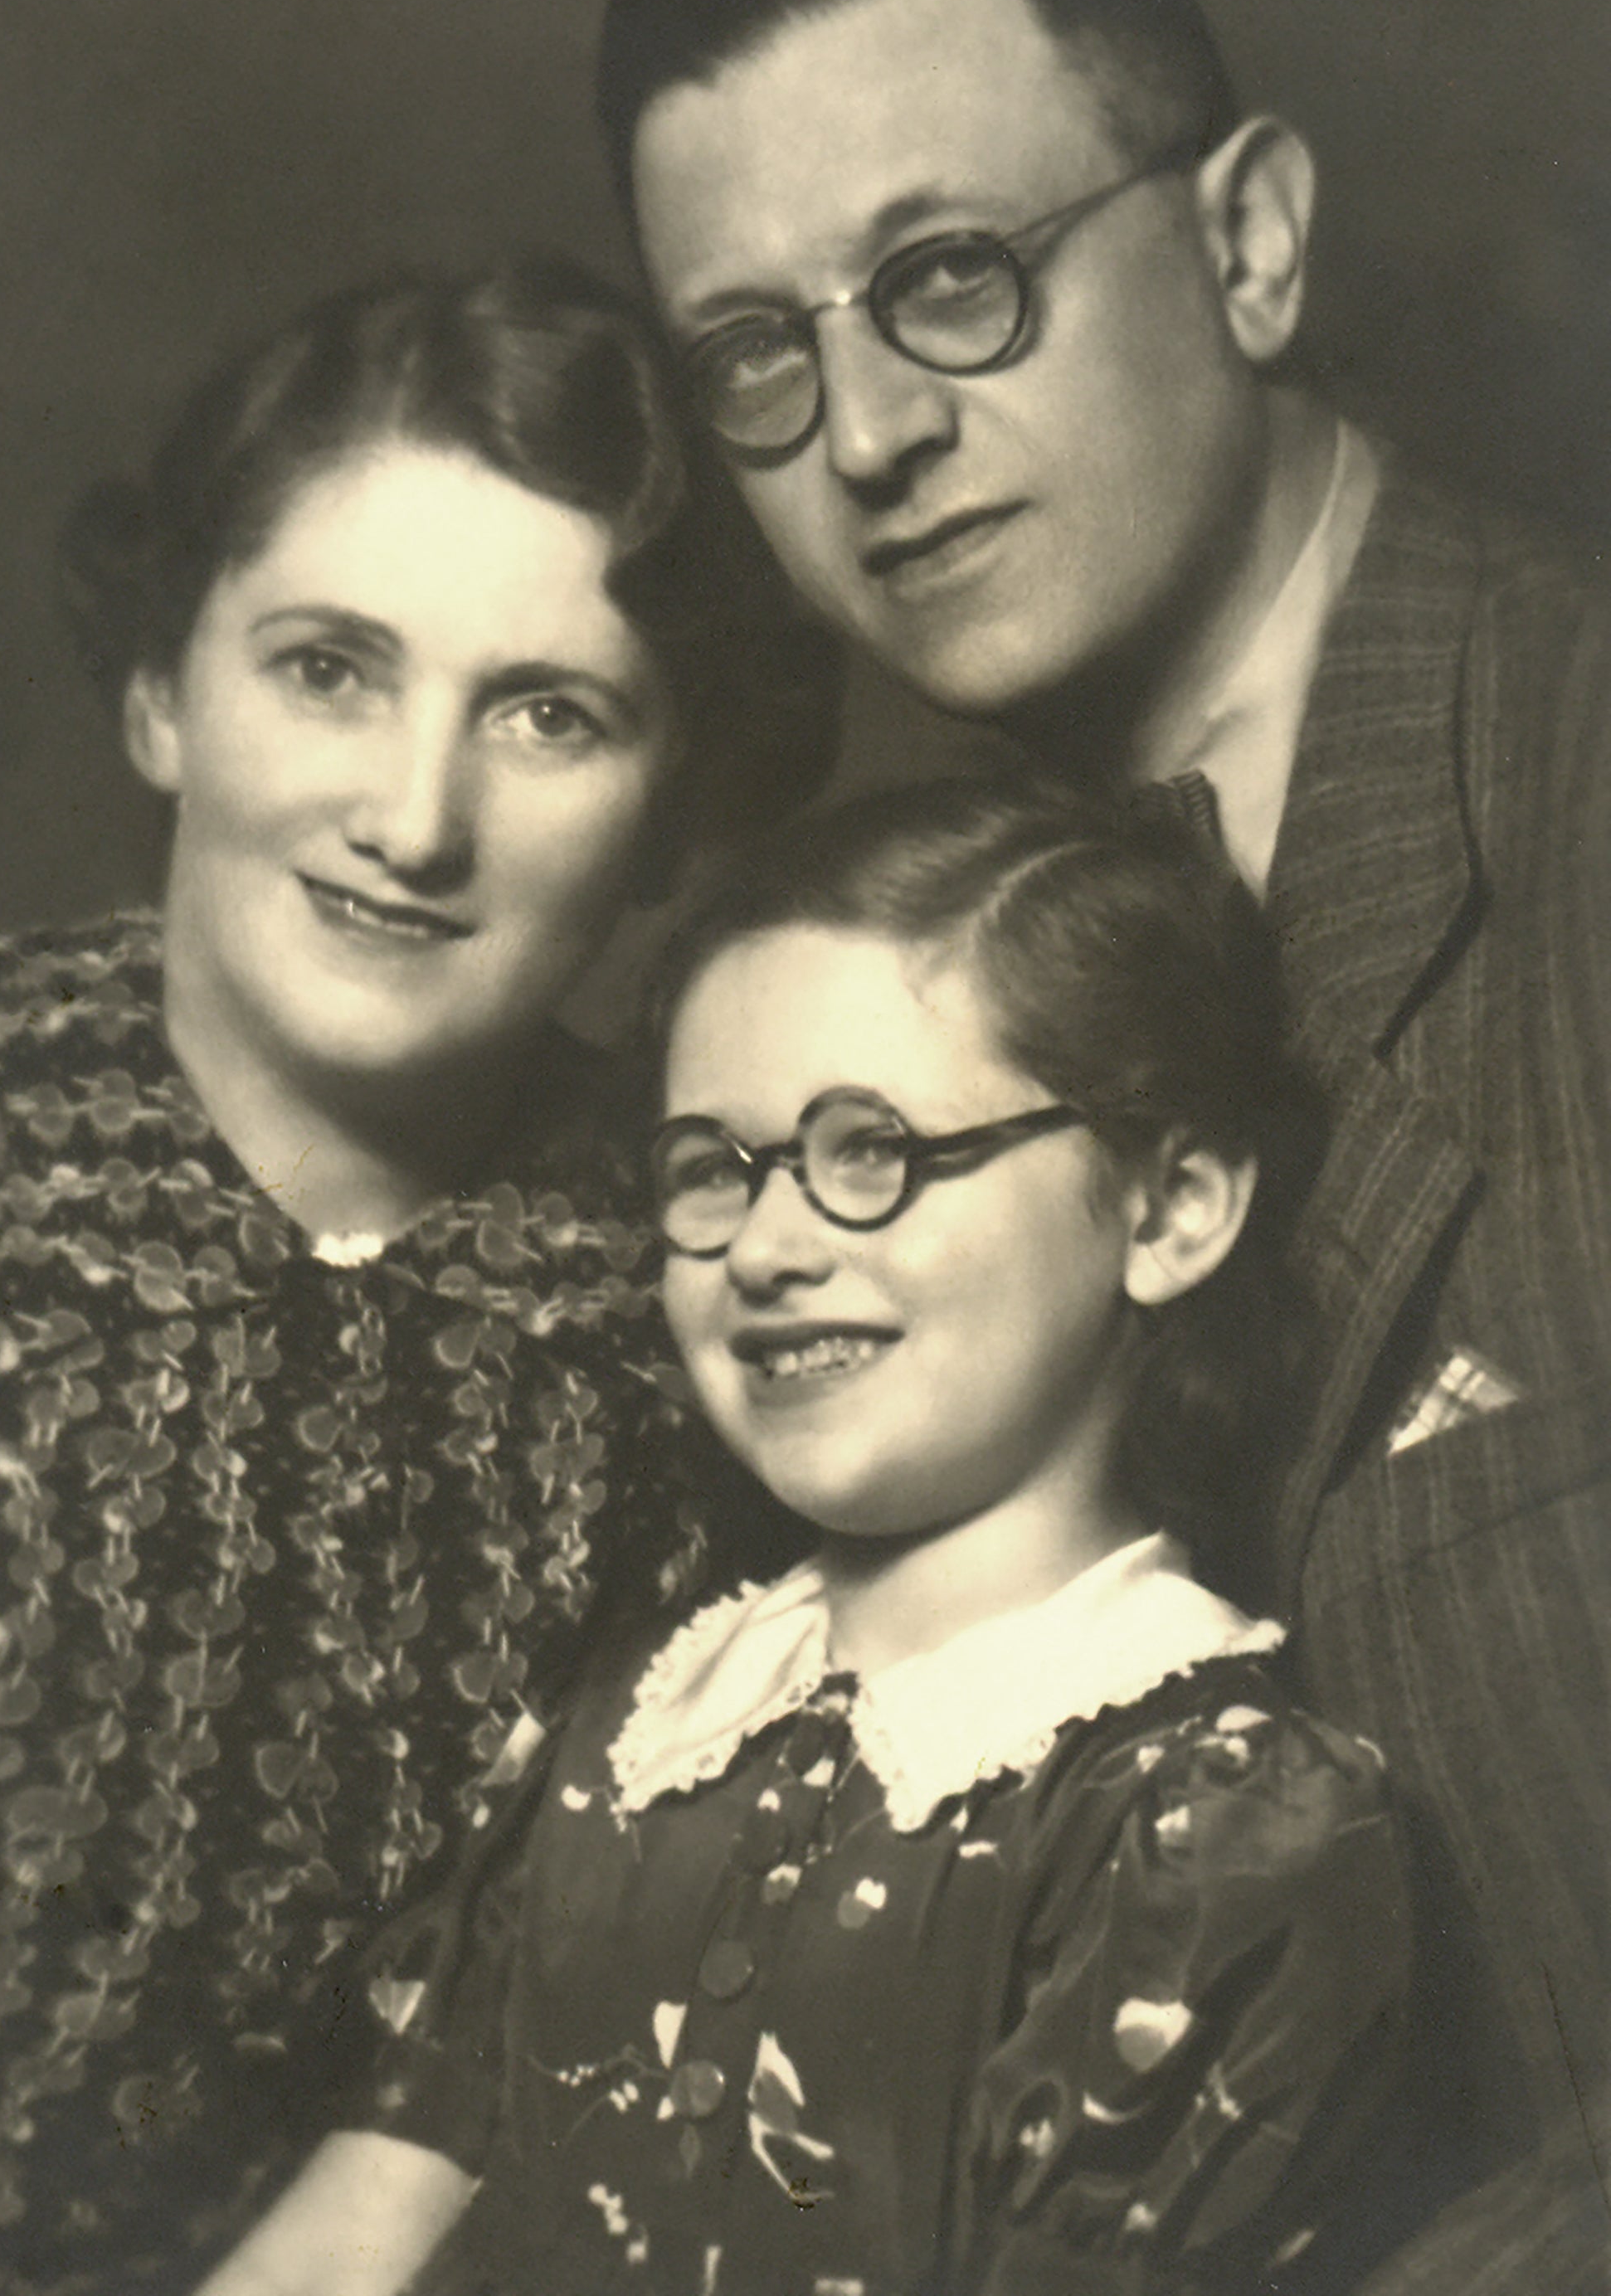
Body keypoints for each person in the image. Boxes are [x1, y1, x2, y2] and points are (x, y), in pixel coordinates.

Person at [594, 0, 1611, 2284]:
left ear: (1249, 242)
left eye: (949, 280)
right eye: (759, 352)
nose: (862, 436)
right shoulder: (857, 1013)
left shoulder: (1569, 798)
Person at [195, 774, 1412, 2296]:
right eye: (713, 1170)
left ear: (1168, 1210)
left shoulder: (1214, 1831)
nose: (767, 1249)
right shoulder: (627, 1728)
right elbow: (353, 2231)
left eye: (870, 1153)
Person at [0, 260, 836, 2294]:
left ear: (665, 821)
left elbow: (498, 2056)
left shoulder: (718, 1316)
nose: (413, 819)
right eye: (329, 668)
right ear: (165, 690)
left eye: (550, 716)